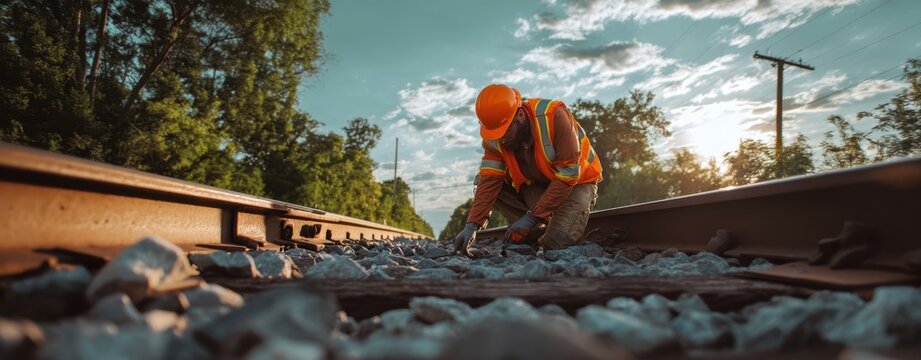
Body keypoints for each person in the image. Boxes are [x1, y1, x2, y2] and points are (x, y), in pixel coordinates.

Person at [453, 84, 603, 256]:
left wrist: (530, 218)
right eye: (496, 134)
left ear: (521, 115)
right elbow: (489, 181)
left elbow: (568, 175)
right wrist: (472, 225)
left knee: (555, 244)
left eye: (505, 132)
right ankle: (531, 233)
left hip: (577, 184)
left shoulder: (553, 116)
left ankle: (536, 225)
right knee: (481, 181)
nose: (501, 139)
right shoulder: (494, 138)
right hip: (540, 186)